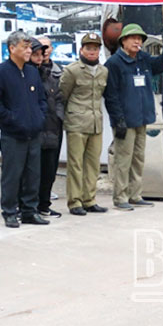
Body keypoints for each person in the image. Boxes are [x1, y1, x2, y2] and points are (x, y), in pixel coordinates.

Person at [104, 24, 163, 210]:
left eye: (140, 38)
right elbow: (111, 95)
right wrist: (117, 119)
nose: (137, 42)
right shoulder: (114, 63)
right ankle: (120, 197)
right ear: (123, 41)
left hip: (141, 117)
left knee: (138, 158)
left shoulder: (142, 58)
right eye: (133, 38)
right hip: (125, 120)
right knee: (123, 160)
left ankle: (135, 194)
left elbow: (162, 64)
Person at [0, 31, 49, 229]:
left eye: (30, 47)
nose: (29, 51)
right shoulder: (1, 72)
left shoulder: (31, 71)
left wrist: (39, 117)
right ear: (12, 48)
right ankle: (10, 212)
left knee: (33, 174)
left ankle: (30, 211)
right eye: (25, 47)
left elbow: (41, 100)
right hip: (13, 134)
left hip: (34, 132)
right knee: (12, 175)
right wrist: (13, 120)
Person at [60, 33, 109, 216]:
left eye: (95, 48)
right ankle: (75, 202)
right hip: (76, 124)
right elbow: (62, 95)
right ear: (81, 49)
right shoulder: (72, 70)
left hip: (96, 124)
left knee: (93, 164)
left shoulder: (103, 71)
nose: (92, 51)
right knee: (76, 164)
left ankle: (90, 199)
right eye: (88, 48)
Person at [31, 36, 65, 218]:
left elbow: (60, 97)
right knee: (34, 170)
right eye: (38, 49)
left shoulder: (55, 72)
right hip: (36, 128)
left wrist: (59, 117)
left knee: (49, 169)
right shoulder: (28, 72)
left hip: (53, 127)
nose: (42, 53)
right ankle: (30, 206)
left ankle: (44, 204)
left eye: (45, 48)